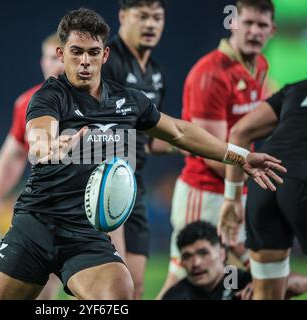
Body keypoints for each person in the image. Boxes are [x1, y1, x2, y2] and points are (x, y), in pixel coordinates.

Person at [0, 8, 284, 300]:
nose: (85, 61)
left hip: (86, 234)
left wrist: (239, 155)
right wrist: (51, 146)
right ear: (62, 55)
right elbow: (39, 136)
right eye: (76, 52)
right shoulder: (49, 96)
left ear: (105, 55)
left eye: (93, 52)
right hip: (35, 226)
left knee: (121, 293)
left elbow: (180, 132)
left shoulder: (129, 101)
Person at [158, 0, 277, 299]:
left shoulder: (259, 66)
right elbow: (210, 154)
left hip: (234, 188)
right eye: (247, 23)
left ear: (272, 30)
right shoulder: (210, 75)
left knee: (261, 276)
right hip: (205, 192)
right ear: (232, 23)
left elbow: (271, 108)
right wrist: (259, 176)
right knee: (184, 278)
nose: (254, 31)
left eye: (261, 25)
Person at [0, 33, 65, 299]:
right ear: (42, 62)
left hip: (87, 208)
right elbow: (14, 154)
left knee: (120, 284)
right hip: (44, 208)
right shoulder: (27, 102)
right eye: (52, 57)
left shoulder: (94, 101)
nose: (58, 65)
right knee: (42, 282)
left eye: (62, 57)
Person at [101, 0, 173, 299]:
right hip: (105, 180)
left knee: (136, 286)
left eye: (157, 17)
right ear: (122, 17)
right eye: (142, 17)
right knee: (109, 286)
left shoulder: (155, 73)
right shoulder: (108, 62)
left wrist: (192, 144)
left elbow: (152, 140)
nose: (151, 24)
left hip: (136, 186)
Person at [218, 79, 307, 299]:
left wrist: (232, 198)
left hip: (264, 181)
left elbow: (240, 131)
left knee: (266, 291)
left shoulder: (296, 89)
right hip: (302, 181)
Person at [162, 221, 307, 300]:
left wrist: (266, 284)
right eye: (187, 257)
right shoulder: (177, 295)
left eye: (203, 253)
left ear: (222, 253)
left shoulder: (235, 279)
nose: (196, 263)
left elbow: (301, 283)